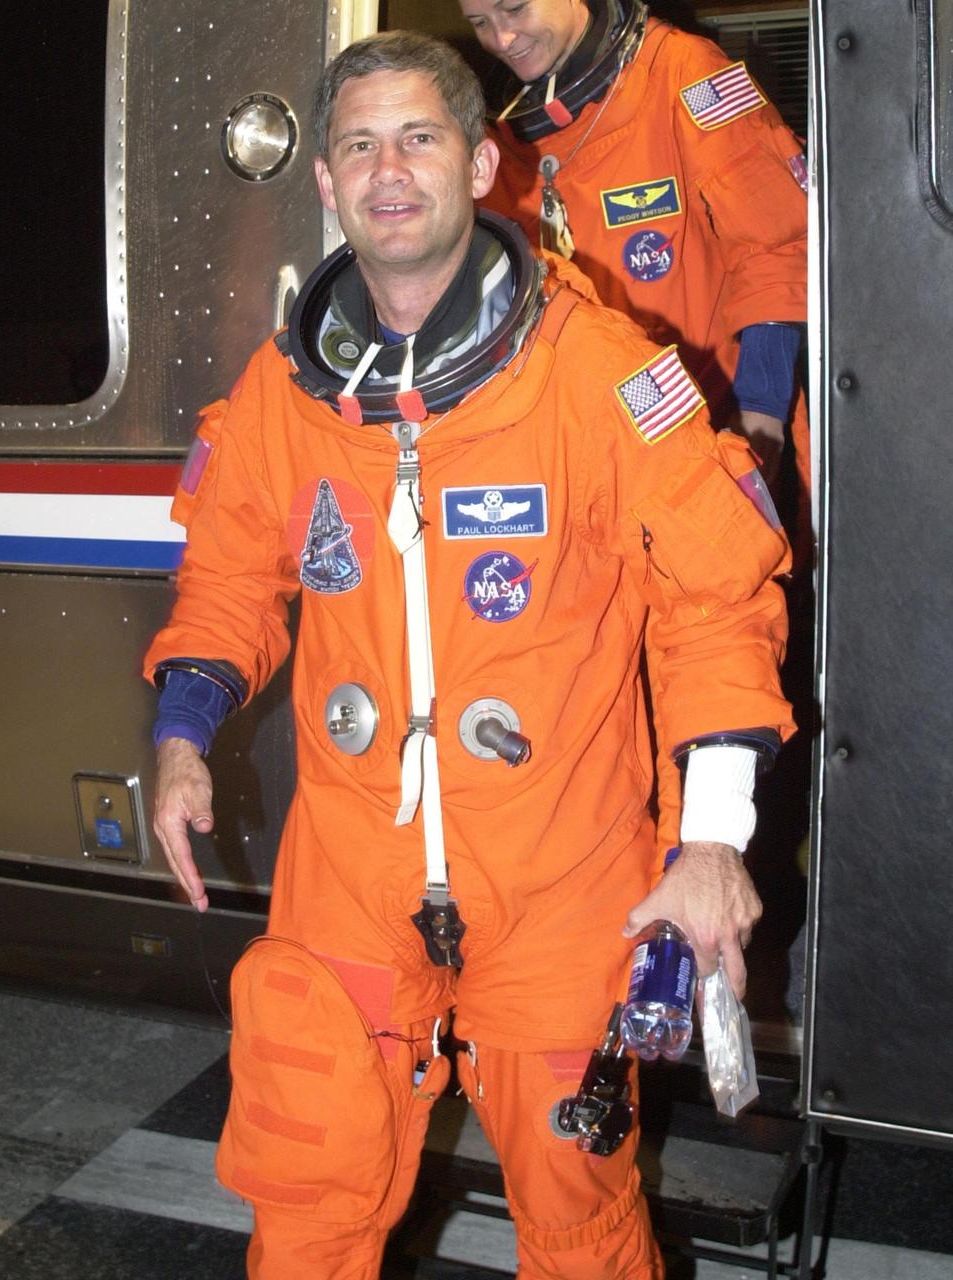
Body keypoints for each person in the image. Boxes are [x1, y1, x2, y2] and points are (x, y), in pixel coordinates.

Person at [144, 30, 794, 1280]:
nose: (389, 171)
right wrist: (182, 733)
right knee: (305, 1191)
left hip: (559, 870)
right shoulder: (288, 388)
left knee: (576, 1213)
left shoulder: (596, 371)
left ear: (483, 161)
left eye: (420, 138)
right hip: (351, 868)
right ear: (325, 183)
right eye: (359, 146)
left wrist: (710, 838)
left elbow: (715, 590)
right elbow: (230, 573)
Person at [461, 0, 808, 501]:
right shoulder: (490, 139)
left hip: (709, 424)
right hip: (582, 448)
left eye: (514, 9)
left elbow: (775, 245)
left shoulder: (683, 72)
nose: (503, 39)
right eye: (480, 24)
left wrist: (761, 415)